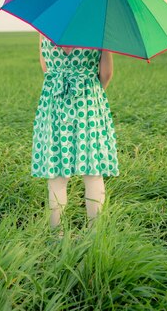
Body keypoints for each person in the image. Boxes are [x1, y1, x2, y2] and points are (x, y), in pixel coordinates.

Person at [31, 32, 119, 238]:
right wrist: (92, 91)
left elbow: (46, 68)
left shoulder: (45, 29)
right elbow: (106, 74)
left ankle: (56, 236)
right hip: (87, 103)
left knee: (56, 173)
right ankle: (94, 234)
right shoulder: (99, 30)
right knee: (93, 171)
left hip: (54, 103)